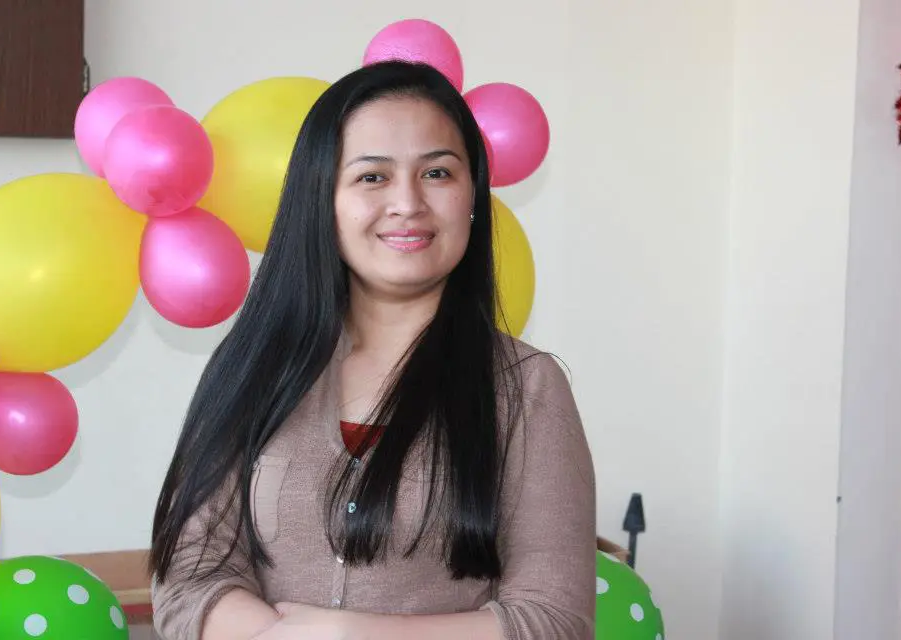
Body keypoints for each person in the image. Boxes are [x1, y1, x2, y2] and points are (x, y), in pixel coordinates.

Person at [148, 60, 596, 640]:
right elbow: (190, 579)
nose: (408, 202)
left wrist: (348, 634)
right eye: (372, 177)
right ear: (323, 199)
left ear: (473, 197)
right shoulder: (254, 365)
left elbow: (554, 621)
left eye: (437, 173)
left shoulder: (528, 388)